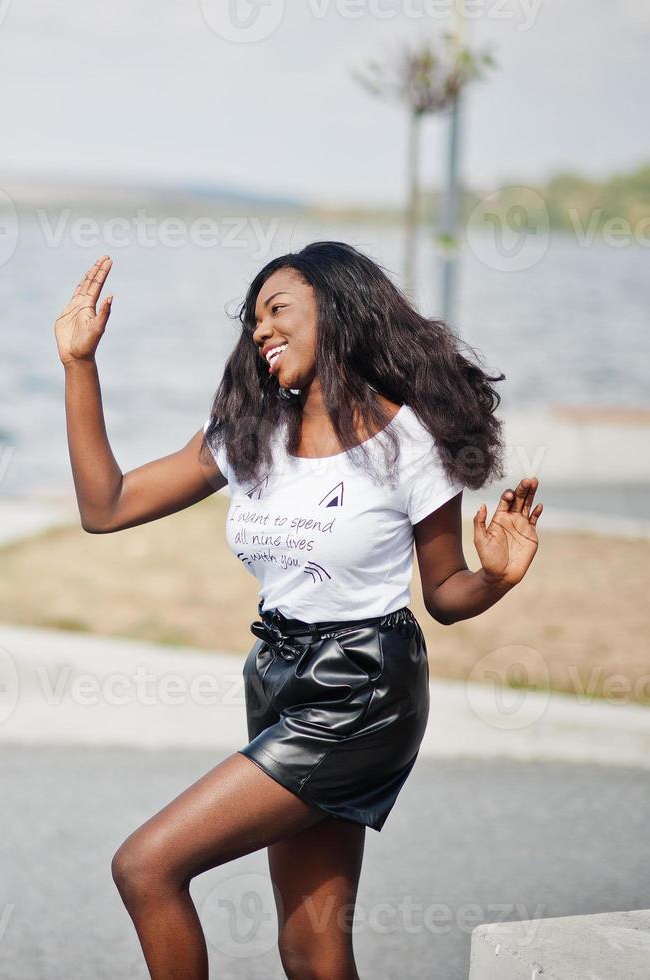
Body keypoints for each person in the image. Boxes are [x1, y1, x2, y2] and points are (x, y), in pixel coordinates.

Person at [53, 244, 542, 980]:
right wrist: (79, 366)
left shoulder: (410, 443)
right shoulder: (249, 434)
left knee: (145, 867)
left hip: (362, 689)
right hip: (278, 679)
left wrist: (495, 579)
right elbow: (106, 506)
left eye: (277, 309)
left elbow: (444, 594)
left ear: (338, 312)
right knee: (310, 949)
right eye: (252, 319)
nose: (259, 330)